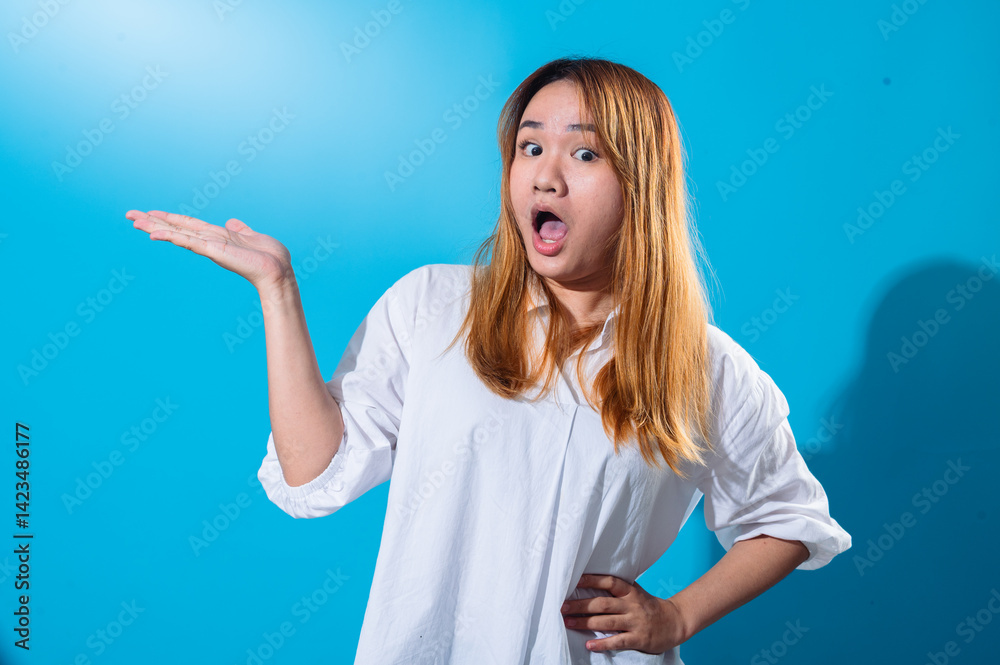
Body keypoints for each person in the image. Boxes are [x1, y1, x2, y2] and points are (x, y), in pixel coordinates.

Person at [127, 56, 851, 664]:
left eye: (586, 153)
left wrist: (677, 617)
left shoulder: (707, 368)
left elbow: (790, 518)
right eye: (531, 147)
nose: (546, 175)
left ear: (643, 183)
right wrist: (278, 291)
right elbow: (312, 474)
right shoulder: (431, 308)